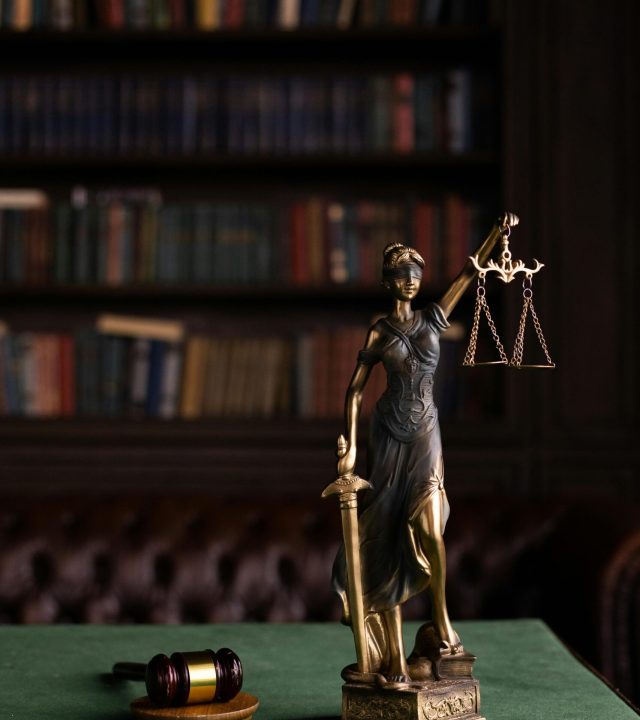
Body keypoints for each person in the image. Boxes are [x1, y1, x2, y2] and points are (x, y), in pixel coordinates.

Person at [332, 213, 516, 684]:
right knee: (390, 534)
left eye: (416, 275)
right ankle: (390, 653)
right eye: (401, 275)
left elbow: (470, 271)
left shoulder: (434, 317)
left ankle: (443, 619)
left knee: (431, 528)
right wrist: (349, 445)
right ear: (386, 281)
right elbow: (355, 390)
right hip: (387, 436)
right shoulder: (378, 332)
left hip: (426, 435)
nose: (411, 282)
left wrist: (498, 233)